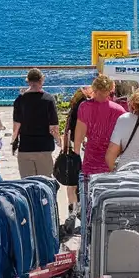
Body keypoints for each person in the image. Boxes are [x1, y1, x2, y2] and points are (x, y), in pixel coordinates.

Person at [73, 74, 125, 179]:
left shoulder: (84, 107)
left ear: (94, 89)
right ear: (110, 90)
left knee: (90, 193)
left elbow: (79, 136)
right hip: (112, 159)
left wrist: (76, 157)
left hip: (91, 159)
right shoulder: (119, 110)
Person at [12, 68, 60, 177]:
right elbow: (53, 128)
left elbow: (16, 127)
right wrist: (59, 142)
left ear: (28, 81)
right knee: (45, 184)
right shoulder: (48, 99)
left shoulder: (20, 100)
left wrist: (13, 143)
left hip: (25, 148)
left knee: (28, 186)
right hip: (44, 147)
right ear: (41, 80)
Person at [60, 86, 92, 224]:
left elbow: (66, 132)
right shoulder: (85, 109)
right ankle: (81, 210)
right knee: (84, 183)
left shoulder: (72, 112)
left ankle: (72, 211)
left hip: (71, 149)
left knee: (71, 184)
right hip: (82, 149)